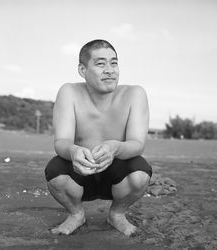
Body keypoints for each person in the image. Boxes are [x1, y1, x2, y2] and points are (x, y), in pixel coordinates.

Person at [45, 39, 152, 237]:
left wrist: (115, 148)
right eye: (101, 64)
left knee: (141, 174)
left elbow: (137, 144)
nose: (110, 70)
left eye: (114, 63)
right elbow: (61, 142)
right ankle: (76, 214)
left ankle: (117, 215)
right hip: (80, 170)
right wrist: (74, 151)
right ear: (82, 69)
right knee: (55, 172)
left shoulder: (134, 94)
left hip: (117, 173)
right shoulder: (69, 92)